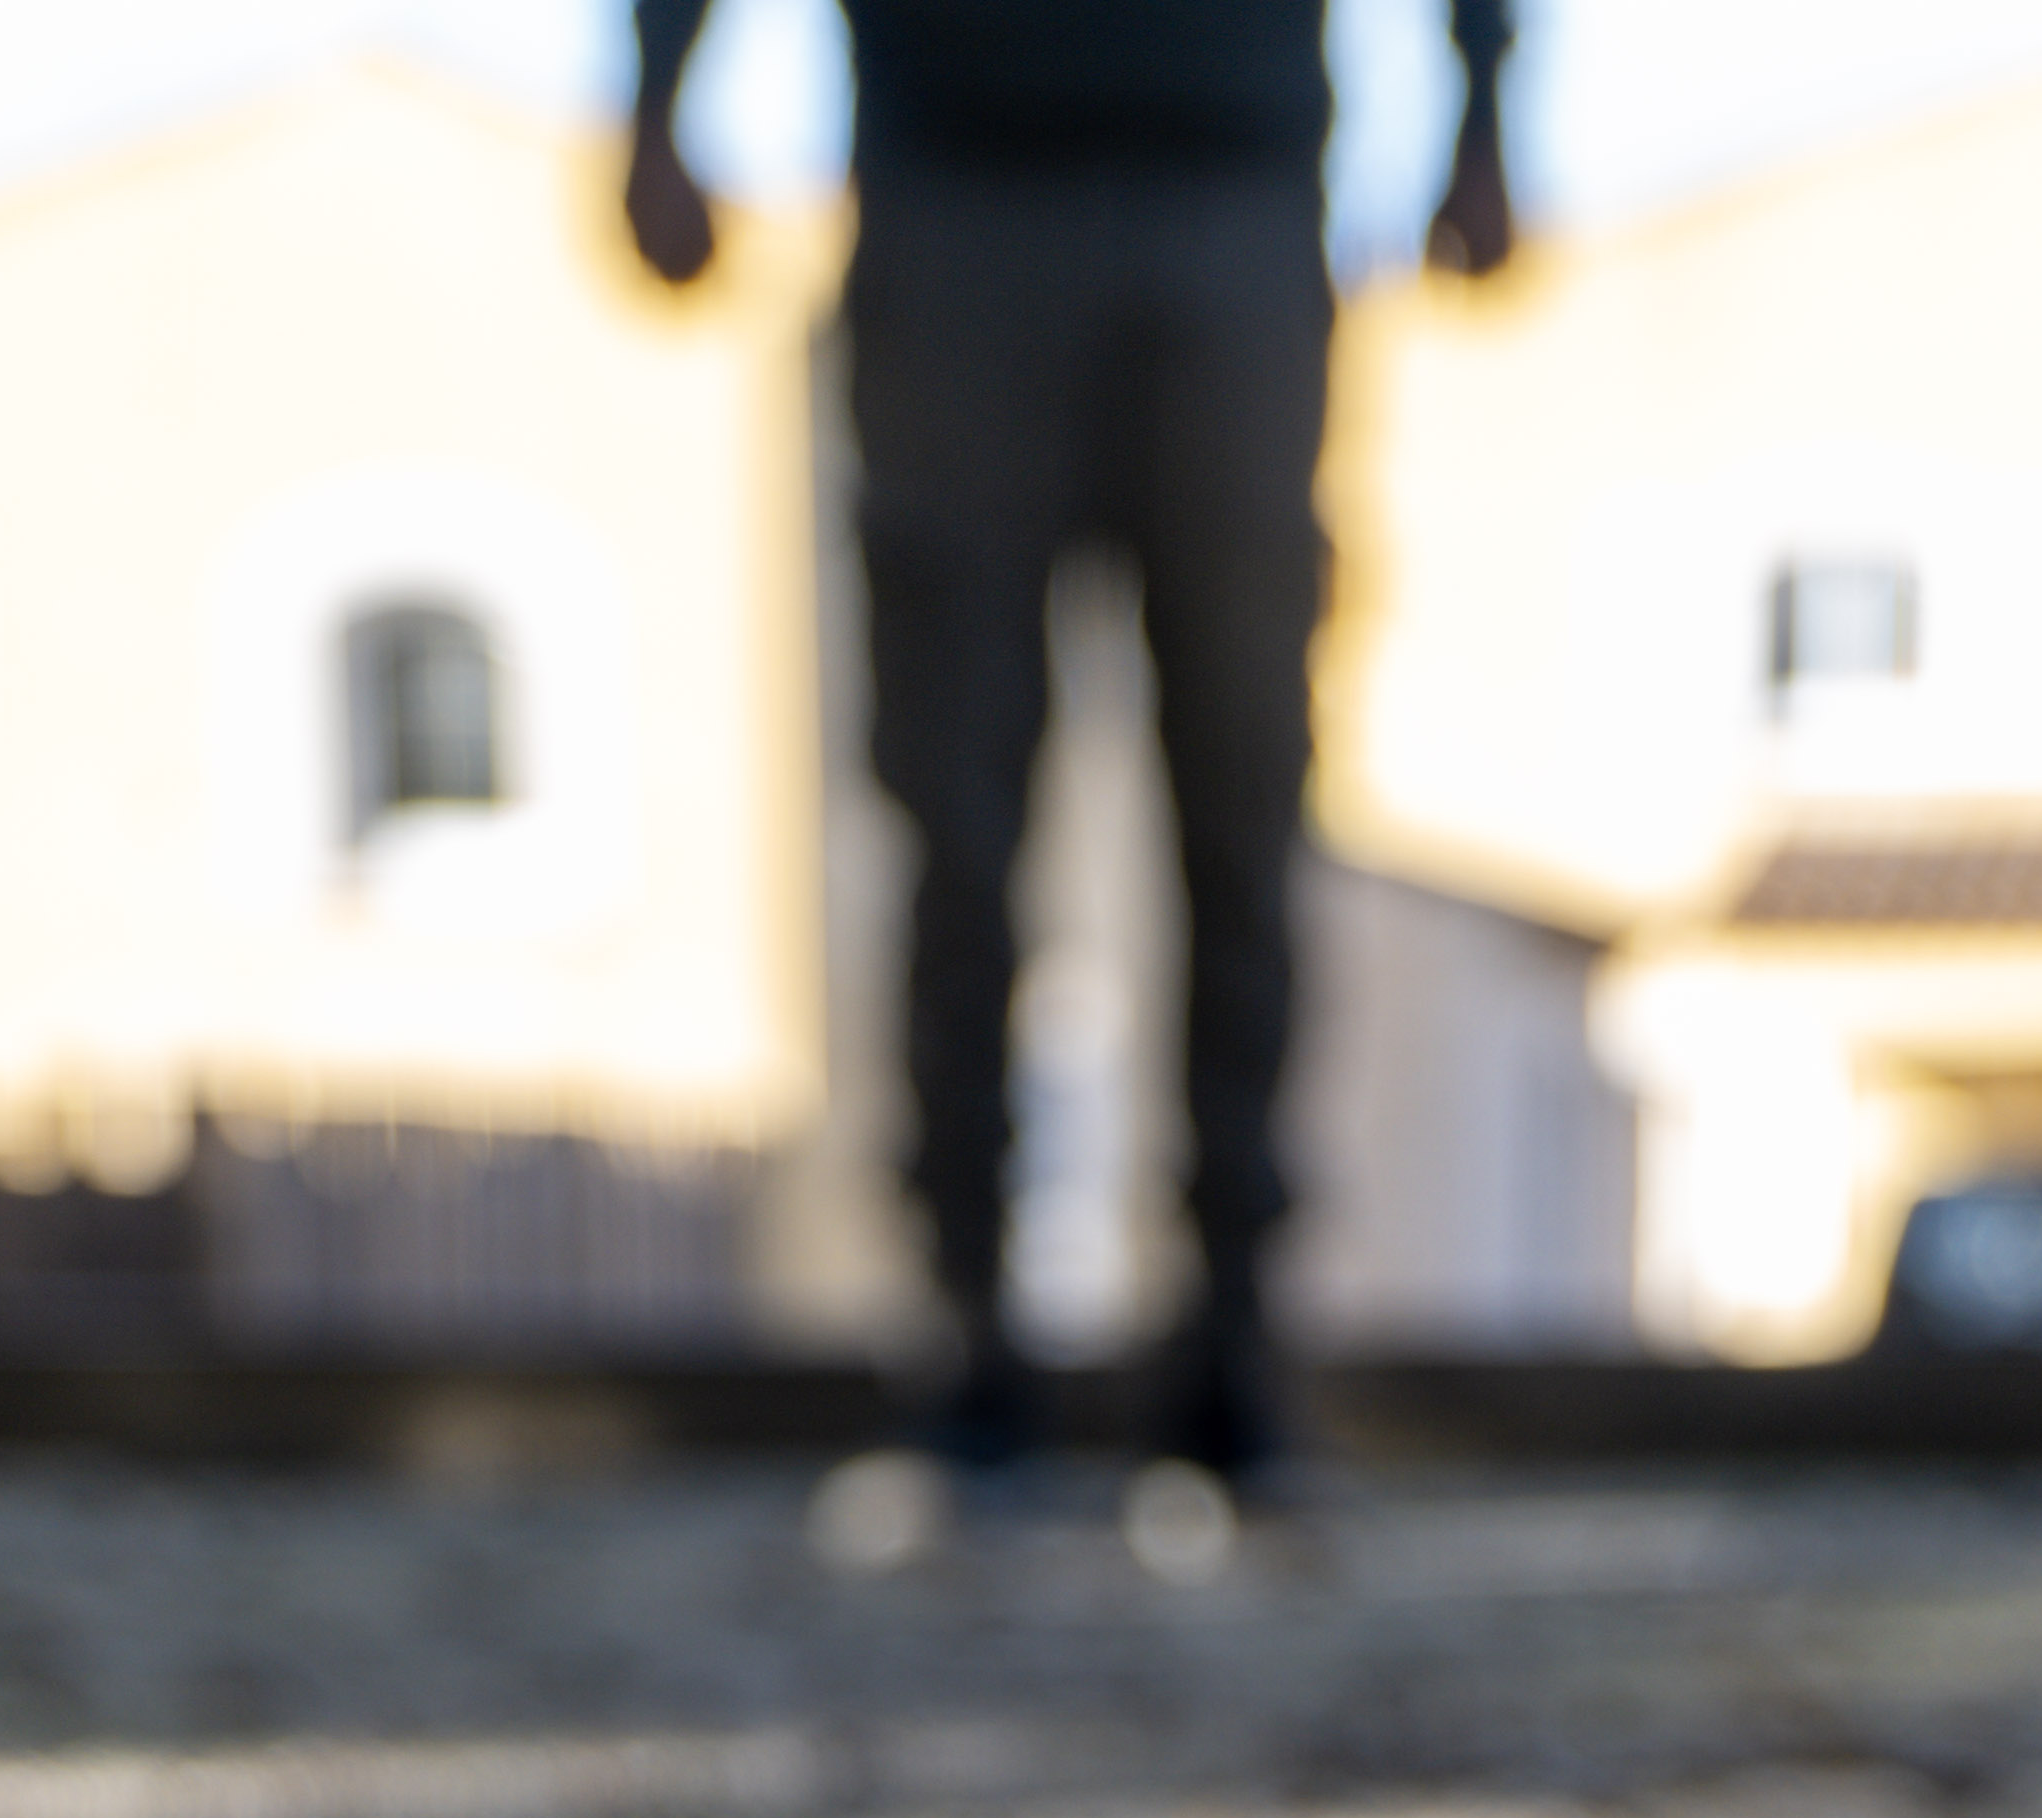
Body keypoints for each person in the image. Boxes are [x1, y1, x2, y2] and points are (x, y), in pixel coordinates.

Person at [627, 0, 1518, 1482]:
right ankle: (964, 1332)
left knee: (1244, 803)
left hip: (1225, 190)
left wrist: (1486, 104)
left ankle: (1234, 1330)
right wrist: (658, 95)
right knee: (953, 821)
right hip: (956, 195)